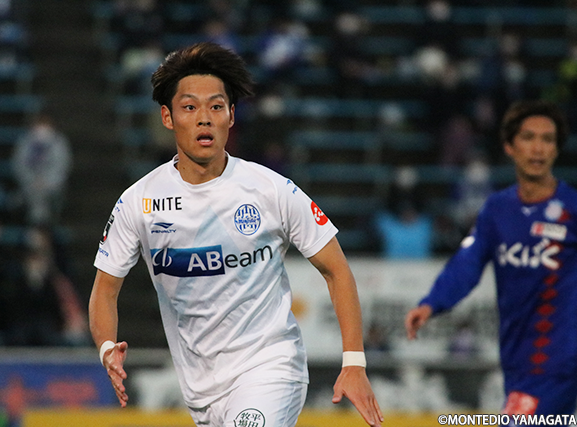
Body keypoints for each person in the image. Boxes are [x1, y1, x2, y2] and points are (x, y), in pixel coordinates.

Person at [88, 42, 383, 427]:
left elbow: (336, 270)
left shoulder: (271, 190)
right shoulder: (138, 202)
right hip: (201, 390)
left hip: (271, 367)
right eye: (190, 107)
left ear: (231, 116)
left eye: (216, 107)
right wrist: (106, 347)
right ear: (167, 117)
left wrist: (354, 363)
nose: (204, 119)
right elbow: (105, 289)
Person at [405, 100, 577, 417]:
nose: (538, 148)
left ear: (556, 149)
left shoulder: (572, 209)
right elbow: (467, 264)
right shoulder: (497, 210)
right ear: (510, 147)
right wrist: (432, 303)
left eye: (547, 139)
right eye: (528, 137)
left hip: (557, 361)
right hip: (516, 361)